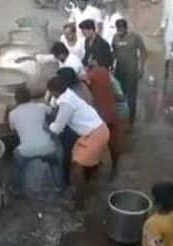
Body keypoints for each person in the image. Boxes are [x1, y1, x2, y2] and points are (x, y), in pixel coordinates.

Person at [46, 75, 109, 209]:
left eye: (50, 92)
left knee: (77, 168)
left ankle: (80, 201)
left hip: (95, 135)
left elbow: (57, 129)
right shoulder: (69, 94)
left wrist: (47, 126)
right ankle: (89, 186)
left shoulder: (66, 104)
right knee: (82, 161)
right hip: (98, 129)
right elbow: (54, 103)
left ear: (54, 91)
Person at [7, 85, 60, 193]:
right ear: (30, 97)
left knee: (17, 164)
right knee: (55, 163)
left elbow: (12, 129)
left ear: (16, 100)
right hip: (47, 147)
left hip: (26, 151)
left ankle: (16, 189)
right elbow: (53, 113)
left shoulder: (12, 114)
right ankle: (59, 186)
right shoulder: (41, 106)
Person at [85, 51, 120, 180]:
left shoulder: (92, 74)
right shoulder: (106, 72)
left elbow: (83, 80)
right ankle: (115, 168)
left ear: (94, 60)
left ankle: (94, 166)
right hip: (111, 112)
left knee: (95, 142)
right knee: (113, 143)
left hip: (100, 116)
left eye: (90, 59)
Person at [112, 19, 147, 125]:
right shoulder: (115, 37)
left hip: (131, 71)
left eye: (122, 28)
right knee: (119, 94)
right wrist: (110, 67)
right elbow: (114, 52)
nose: (120, 31)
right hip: (119, 71)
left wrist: (141, 68)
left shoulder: (135, 37)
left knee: (131, 96)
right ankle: (121, 117)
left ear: (126, 28)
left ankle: (131, 119)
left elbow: (143, 52)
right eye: (118, 29)